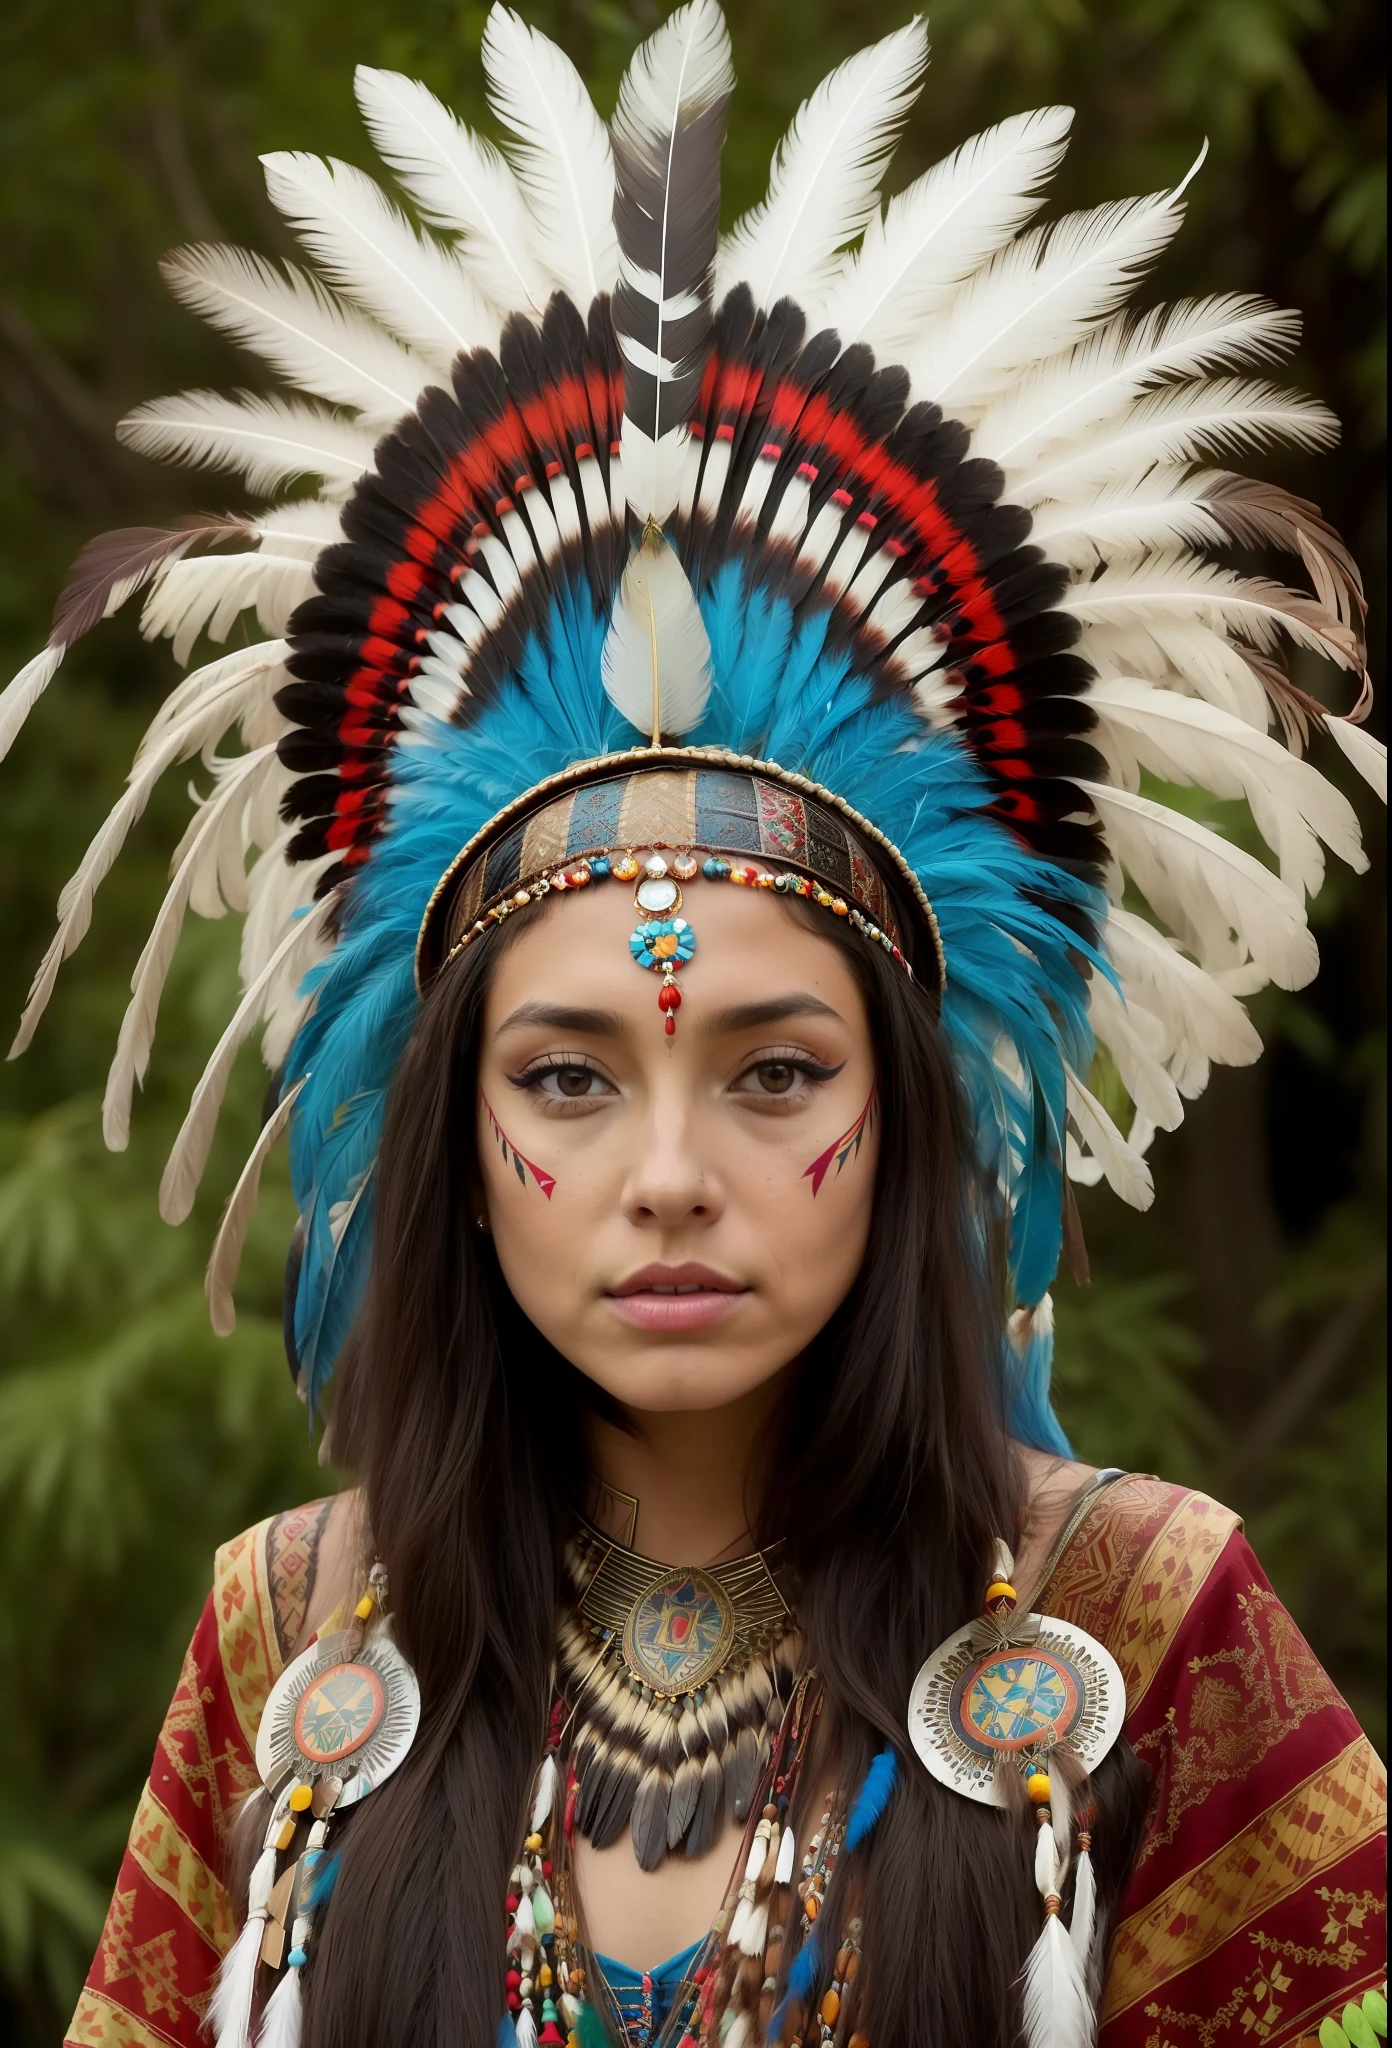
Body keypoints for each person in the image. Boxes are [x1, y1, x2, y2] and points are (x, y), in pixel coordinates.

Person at [4, 6, 1382, 2046]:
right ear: (452, 1129)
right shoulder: (290, 1646)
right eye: (567, 1075)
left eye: (777, 1074)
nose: (667, 1178)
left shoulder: (1149, 1626)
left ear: (908, 1119)